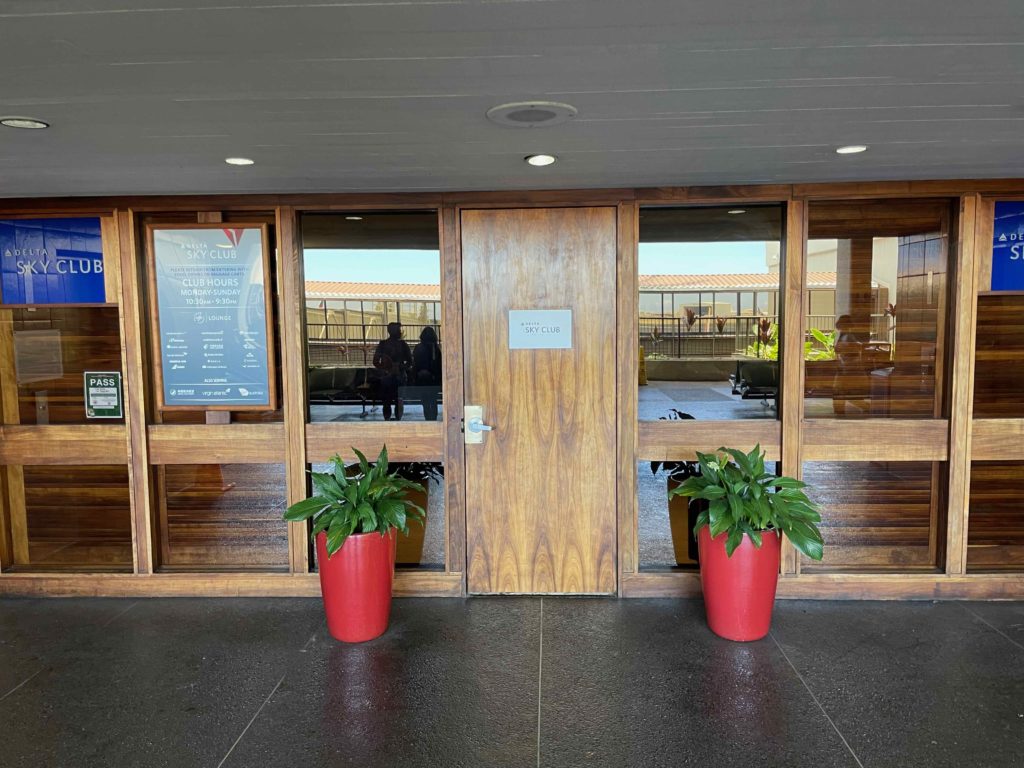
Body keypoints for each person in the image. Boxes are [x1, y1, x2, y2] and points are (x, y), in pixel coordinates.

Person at [373, 322, 412, 421]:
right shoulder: (403, 344)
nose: (400, 332)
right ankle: (398, 419)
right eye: (399, 330)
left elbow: (375, 361)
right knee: (399, 400)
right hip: (400, 376)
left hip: (386, 377)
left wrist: (386, 368)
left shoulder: (382, 344)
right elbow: (410, 361)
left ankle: (387, 419)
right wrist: (400, 367)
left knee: (386, 400)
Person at [412, 326, 442, 421]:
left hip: (421, 379)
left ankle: (428, 418)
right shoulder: (436, 349)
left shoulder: (418, 347)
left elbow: (415, 363)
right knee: (433, 400)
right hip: (433, 379)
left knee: (425, 401)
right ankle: (433, 418)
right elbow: (438, 364)